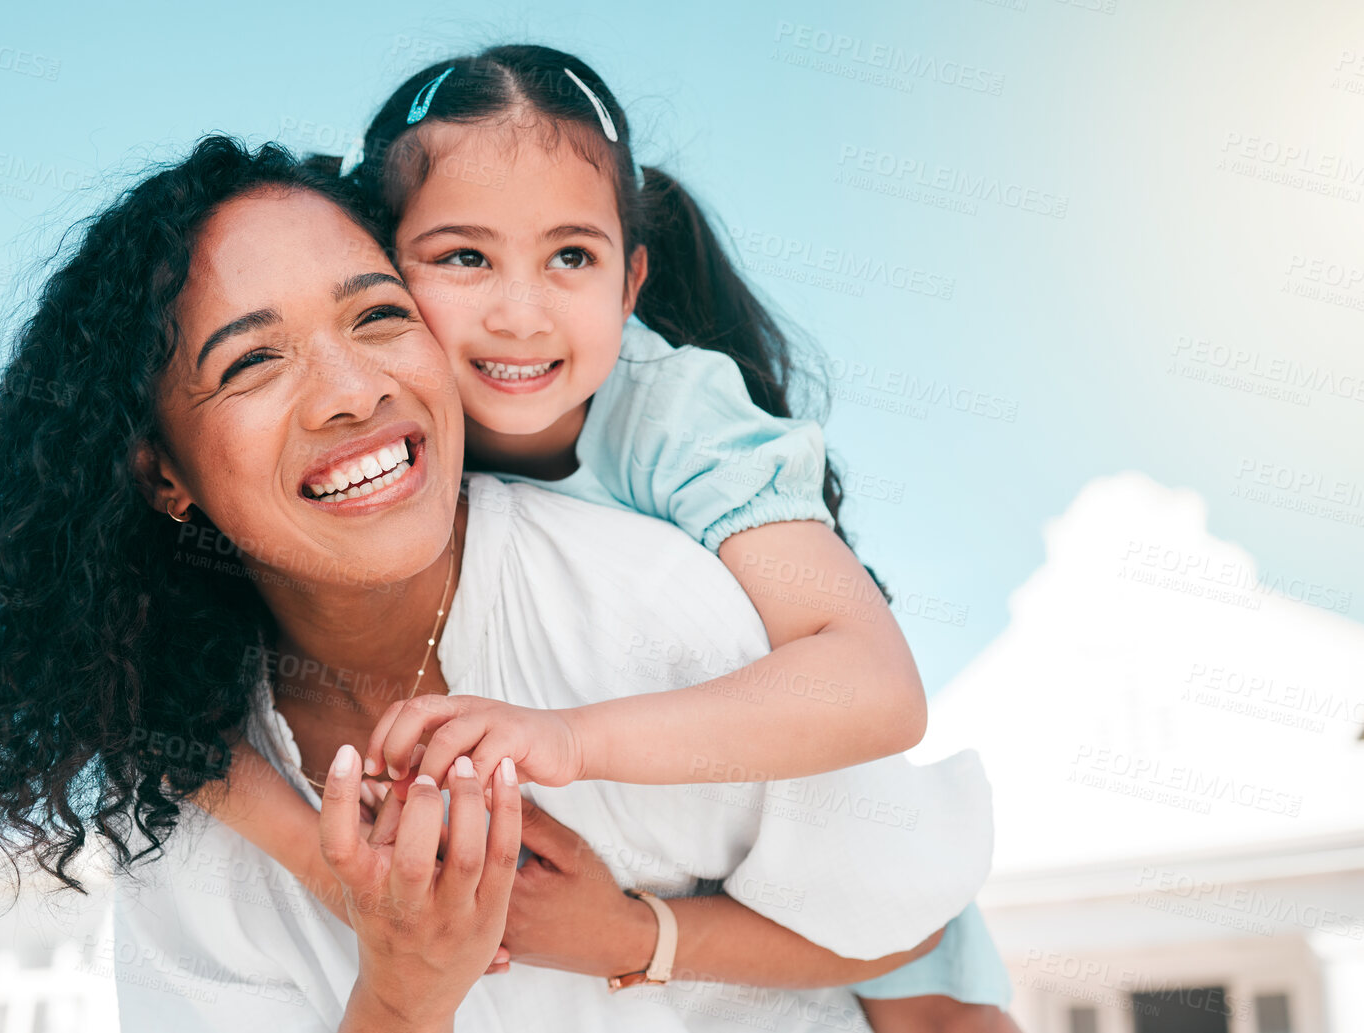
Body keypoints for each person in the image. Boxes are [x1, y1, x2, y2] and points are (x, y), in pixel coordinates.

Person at [0, 134, 996, 1031]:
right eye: (251, 361)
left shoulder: (653, 605)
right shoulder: (194, 813)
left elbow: (904, 910)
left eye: (378, 315)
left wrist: (635, 935)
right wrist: (403, 991)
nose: (348, 390)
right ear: (162, 474)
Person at [202, 45, 1017, 1030]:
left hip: (872, 874)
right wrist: (330, 869)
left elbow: (876, 688)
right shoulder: (381, 441)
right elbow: (143, 731)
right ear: (381, 263)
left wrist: (570, 741)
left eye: (570, 257)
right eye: (465, 256)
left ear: (631, 282)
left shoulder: (674, 415)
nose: (519, 312)